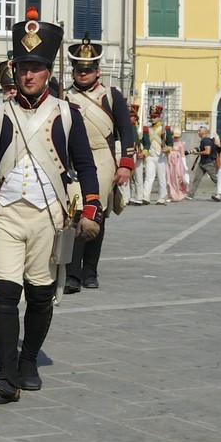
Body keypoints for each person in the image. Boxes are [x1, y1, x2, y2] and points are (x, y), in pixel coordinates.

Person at [0, 16, 100, 401]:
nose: (28, 76)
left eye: (36, 68)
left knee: (41, 295)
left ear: (48, 71)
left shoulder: (66, 114)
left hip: (49, 215)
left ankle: (28, 361)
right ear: (15, 70)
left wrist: (91, 207)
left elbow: (86, 165)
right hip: (7, 214)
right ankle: (7, 374)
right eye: (23, 68)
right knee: (6, 295)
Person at [61, 40, 134, 292]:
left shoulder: (110, 96)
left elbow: (126, 130)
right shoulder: (63, 96)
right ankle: (73, 273)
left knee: (95, 214)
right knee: (74, 215)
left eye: (88, 69)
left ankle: (89, 271)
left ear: (97, 70)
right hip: (73, 159)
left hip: (102, 156)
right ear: (72, 70)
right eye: (79, 69)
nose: (83, 73)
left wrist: (126, 163)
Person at [188, 125, 215, 199]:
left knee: (215, 179)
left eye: (200, 131)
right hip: (202, 163)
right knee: (197, 179)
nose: (198, 132)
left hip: (208, 163)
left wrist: (197, 153)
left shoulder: (206, 140)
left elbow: (207, 152)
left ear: (204, 132)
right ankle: (191, 194)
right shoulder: (203, 140)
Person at [165, 136, 190, 203]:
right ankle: (171, 195)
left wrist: (184, 165)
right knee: (169, 179)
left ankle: (178, 194)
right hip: (170, 162)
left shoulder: (181, 144)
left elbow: (182, 155)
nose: (175, 138)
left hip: (177, 163)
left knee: (177, 178)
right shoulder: (168, 143)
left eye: (176, 136)